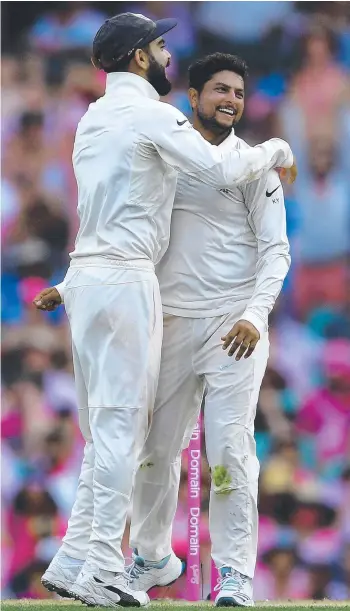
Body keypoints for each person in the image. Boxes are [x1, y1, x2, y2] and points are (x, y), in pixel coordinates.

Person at [33, 21, 295, 610]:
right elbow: (135, 207)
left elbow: (275, 250)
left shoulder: (100, 121)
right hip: (152, 304)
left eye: (239, 92)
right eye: (219, 90)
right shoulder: (164, 132)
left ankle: (219, 574)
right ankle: (127, 562)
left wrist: (256, 311)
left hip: (214, 319)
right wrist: (277, 149)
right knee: (138, 441)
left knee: (206, 448)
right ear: (189, 96)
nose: (232, 100)